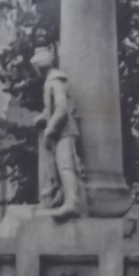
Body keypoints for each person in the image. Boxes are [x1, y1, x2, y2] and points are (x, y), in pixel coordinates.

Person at [32, 45, 84, 220]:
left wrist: (49, 129)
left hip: (65, 130)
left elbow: (61, 109)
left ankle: (72, 202)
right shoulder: (52, 81)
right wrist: (42, 118)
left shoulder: (54, 81)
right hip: (60, 131)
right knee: (60, 165)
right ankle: (63, 196)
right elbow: (52, 109)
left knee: (65, 164)